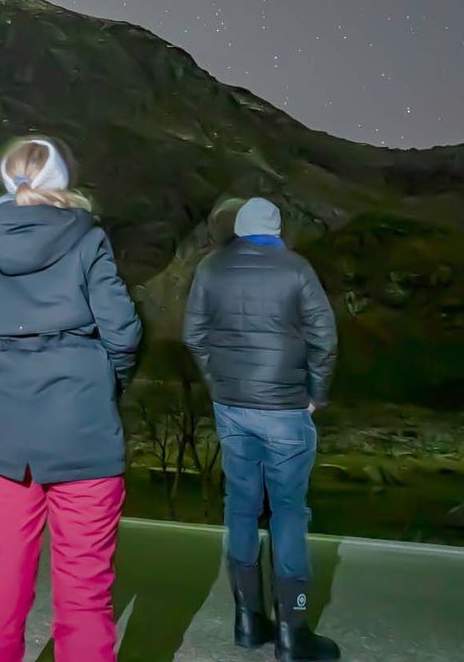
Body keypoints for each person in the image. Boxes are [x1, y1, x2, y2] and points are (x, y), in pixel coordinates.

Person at [0, 137, 142, 662]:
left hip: (2, 429)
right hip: (82, 425)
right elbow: (123, 332)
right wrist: (103, 383)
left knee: (1, 576)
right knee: (85, 589)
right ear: (60, 178)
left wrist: (9, 372)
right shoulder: (88, 238)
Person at [183, 197, 340, 662]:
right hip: (285, 408)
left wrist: (218, 381)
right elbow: (324, 338)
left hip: (232, 406)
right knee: (288, 511)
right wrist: (316, 394)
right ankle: (293, 630)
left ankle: (248, 621)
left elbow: (194, 335)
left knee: (241, 506)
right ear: (275, 229)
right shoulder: (296, 269)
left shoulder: (211, 268)